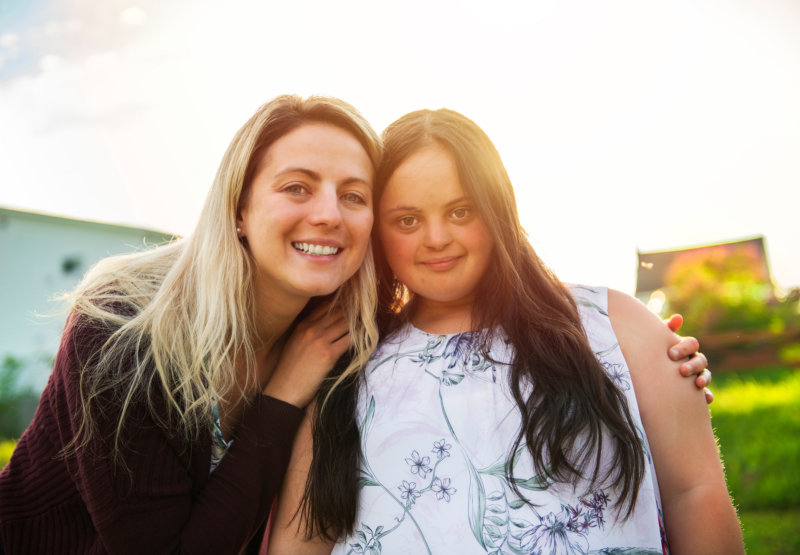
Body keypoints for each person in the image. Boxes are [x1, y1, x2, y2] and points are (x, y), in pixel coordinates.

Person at [268, 108, 740, 553]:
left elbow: (693, 492)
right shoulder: (347, 364)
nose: (437, 238)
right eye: (407, 220)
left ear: (497, 211)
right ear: (376, 231)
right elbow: (303, 539)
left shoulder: (612, 323)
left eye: (460, 211)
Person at [0, 95, 384, 554]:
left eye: (354, 196)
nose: (329, 214)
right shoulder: (123, 329)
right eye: (297, 187)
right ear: (239, 209)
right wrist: (282, 396)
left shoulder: (343, 340)